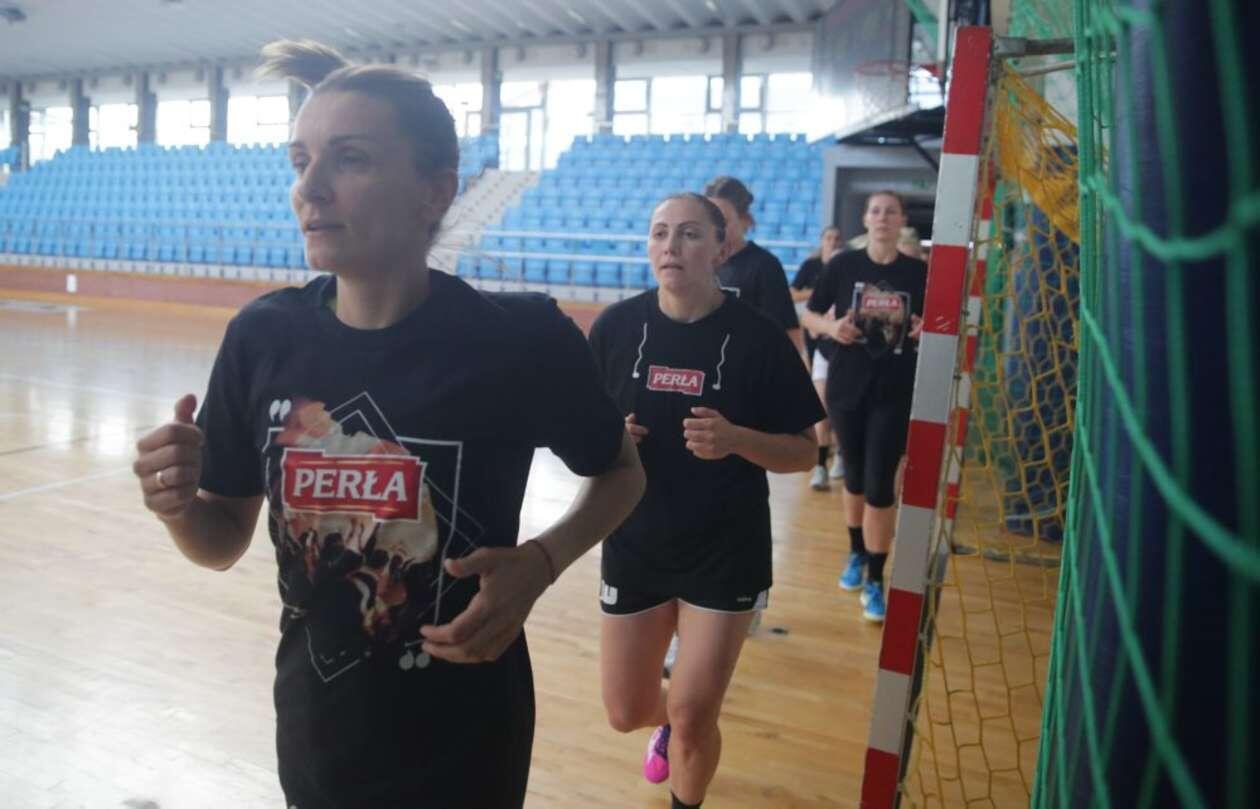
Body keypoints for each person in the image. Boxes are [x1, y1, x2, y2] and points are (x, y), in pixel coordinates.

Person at [131, 39, 645, 809]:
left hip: (469, 751)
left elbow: (623, 471)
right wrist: (175, 507)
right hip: (316, 737)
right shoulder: (262, 338)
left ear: (434, 191)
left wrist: (542, 562)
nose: (309, 187)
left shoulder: (522, 339)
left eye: (350, 159)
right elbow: (221, 539)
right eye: (300, 160)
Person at [588, 192, 823, 809]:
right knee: (624, 711)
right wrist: (612, 439)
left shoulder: (759, 339)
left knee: (695, 714)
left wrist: (738, 439)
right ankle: (670, 722)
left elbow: (806, 453)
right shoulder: (615, 328)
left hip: (725, 549)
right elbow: (582, 439)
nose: (671, 246)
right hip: (635, 542)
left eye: (690, 233)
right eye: (660, 232)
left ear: (721, 248)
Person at [801, 191, 927, 623]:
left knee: (879, 483)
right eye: (876, 211)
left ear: (902, 220)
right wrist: (831, 327)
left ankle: (876, 577)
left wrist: (925, 328)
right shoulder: (843, 266)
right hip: (847, 386)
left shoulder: (918, 272)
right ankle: (856, 552)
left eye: (891, 211)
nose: (883, 217)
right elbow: (809, 315)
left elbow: (941, 322)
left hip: (894, 389)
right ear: (866, 219)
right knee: (853, 477)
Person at [703, 176, 805, 359]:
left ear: (744, 219)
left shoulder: (765, 266)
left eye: (723, 221)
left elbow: (791, 336)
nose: (716, 229)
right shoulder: (700, 263)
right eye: (710, 221)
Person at [791, 225, 845, 490]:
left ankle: (842, 453)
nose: (832, 242)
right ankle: (821, 466)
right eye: (828, 238)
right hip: (820, 347)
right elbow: (801, 309)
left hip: (845, 351)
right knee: (821, 406)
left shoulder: (850, 283)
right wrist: (821, 324)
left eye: (837, 239)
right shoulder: (811, 267)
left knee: (839, 407)